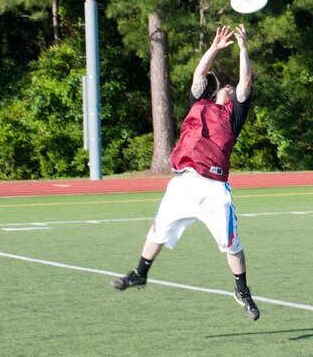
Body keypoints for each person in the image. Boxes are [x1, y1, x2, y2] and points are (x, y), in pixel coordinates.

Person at [111, 24, 260, 321]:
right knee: (158, 230)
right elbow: (199, 75)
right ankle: (140, 273)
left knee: (231, 243)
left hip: (213, 188)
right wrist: (215, 48)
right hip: (182, 183)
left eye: (232, 88)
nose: (230, 87)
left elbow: (245, 82)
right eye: (225, 85)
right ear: (217, 91)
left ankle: (242, 291)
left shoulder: (233, 117)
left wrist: (243, 48)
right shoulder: (199, 103)